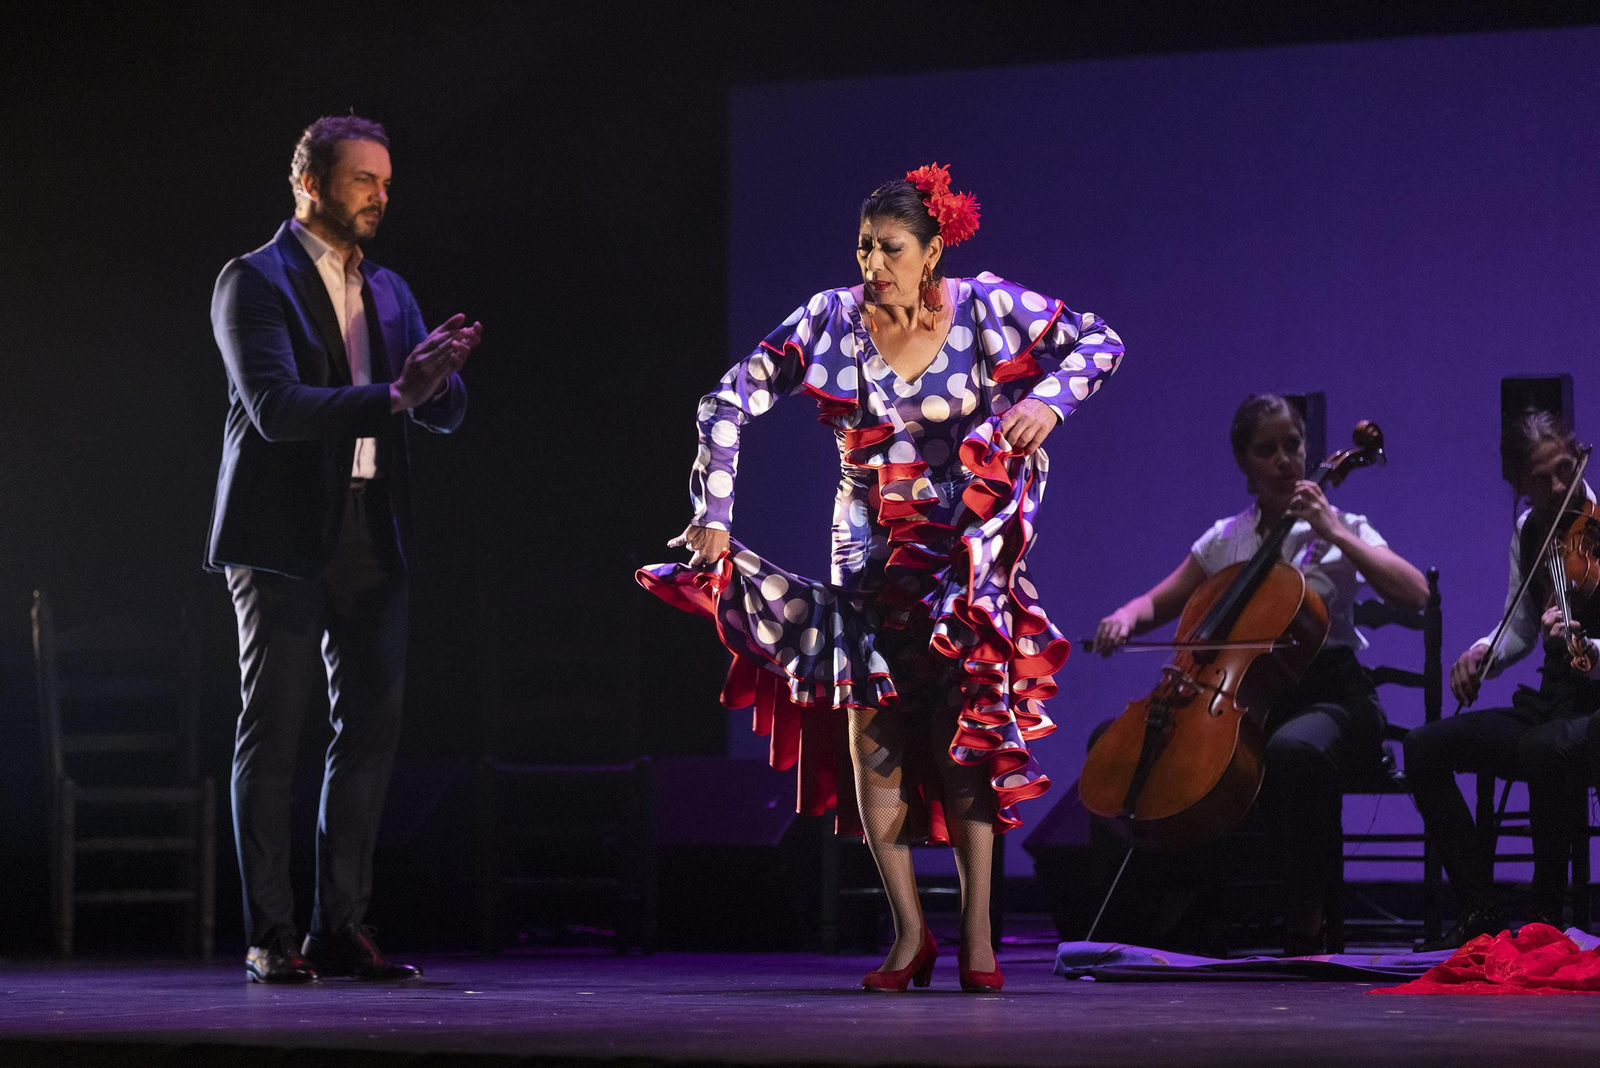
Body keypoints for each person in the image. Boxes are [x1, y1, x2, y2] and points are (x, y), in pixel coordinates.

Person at [638, 164, 1123, 991]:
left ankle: (976, 940)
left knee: (965, 734)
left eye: (891, 248)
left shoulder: (985, 309)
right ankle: (908, 938)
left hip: (964, 551)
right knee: (876, 737)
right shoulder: (829, 322)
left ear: (932, 252)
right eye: (863, 247)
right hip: (866, 553)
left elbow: (1100, 339)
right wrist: (713, 513)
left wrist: (1050, 403)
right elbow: (725, 401)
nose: (873, 264)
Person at [206, 114, 476, 983]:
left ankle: (340, 927)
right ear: (310, 183)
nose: (381, 196)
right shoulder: (254, 281)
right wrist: (396, 393)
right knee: (275, 733)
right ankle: (270, 936)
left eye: (387, 182)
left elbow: (436, 408)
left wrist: (434, 385)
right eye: (365, 180)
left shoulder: (390, 290)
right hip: (282, 536)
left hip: (373, 526)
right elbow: (275, 408)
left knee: (367, 732)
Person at [1092, 394, 1430, 955]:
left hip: (1333, 696)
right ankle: (1180, 894)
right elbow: (1161, 601)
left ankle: (1306, 909)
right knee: (1128, 744)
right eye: (1266, 450)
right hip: (1248, 697)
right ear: (1245, 463)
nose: (1284, 460)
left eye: (1292, 445)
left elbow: (1414, 593)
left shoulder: (1343, 526)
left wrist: (1336, 530)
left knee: (1292, 751)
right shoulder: (1228, 538)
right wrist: (1125, 616)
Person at [1403, 410, 1600, 948]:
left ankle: (1547, 918)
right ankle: (1482, 909)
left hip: (1597, 707)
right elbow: (1519, 629)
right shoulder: (1530, 529)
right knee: (1423, 747)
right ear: (1516, 483)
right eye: (1541, 480)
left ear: (1579, 453)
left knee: (1543, 748)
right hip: (1555, 705)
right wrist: (1482, 653)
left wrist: (1590, 647)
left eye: (1566, 470)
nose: (1560, 487)